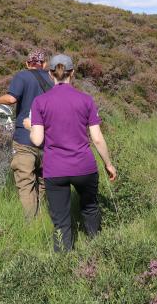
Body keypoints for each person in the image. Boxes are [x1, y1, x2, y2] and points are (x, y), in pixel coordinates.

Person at [29, 54, 117, 252]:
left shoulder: (40, 102)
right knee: (90, 209)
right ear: (72, 73)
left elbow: (37, 140)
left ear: (51, 74)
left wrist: (29, 126)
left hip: (55, 170)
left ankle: (63, 267)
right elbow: (97, 139)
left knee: (61, 221)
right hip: (84, 167)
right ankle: (99, 252)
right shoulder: (86, 100)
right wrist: (108, 164)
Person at [0, 49, 53, 219]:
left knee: (26, 184)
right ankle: (44, 218)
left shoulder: (22, 76)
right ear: (44, 64)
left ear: (27, 63)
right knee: (45, 183)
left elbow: (11, 99)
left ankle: (32, 224)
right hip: (48, 141)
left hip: (24, 140)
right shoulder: (53, 80)